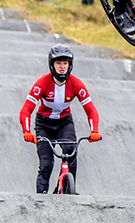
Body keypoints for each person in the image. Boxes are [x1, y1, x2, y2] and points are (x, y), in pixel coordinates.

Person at [19, 44, 101, 194]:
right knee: (46, 165)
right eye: (58, 63)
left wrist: (94, 131)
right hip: (44, 124)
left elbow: (91, 110)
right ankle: (41, 199)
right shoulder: (42, 83)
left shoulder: (76, 84)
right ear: (52, 64)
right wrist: (27, 131)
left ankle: (67, 191)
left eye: (65, 63)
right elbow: (26, 110)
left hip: (64, 122)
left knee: (71, 154)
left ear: (70, 65)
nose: (62, 67)